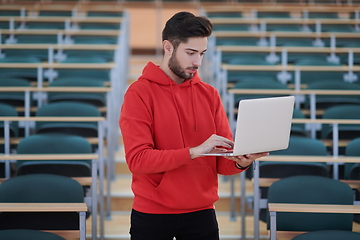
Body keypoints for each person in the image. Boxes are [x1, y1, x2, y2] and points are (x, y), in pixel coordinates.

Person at [119, 11, 269, 240]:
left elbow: (222, 164)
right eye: (190, 53)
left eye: (202, 53)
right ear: (168, 47)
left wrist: (242, 161)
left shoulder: (210, 95)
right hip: (152, 214)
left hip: (202, 213)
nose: (197, 62)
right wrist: (193, 152)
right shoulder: (139, 93)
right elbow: (138, 161)